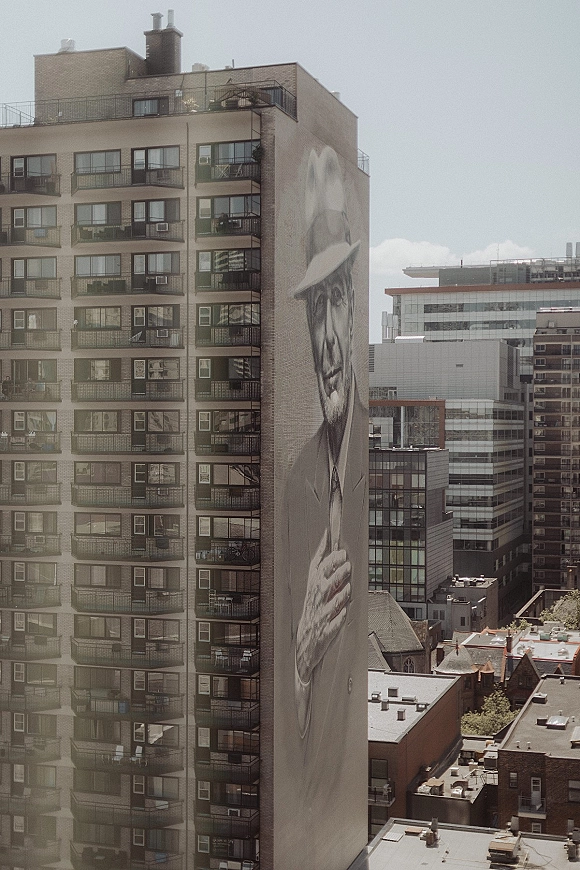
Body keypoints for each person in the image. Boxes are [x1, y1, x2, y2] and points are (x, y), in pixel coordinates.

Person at [278, 146, 367, 867]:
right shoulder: (294, 486)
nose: (330, 340)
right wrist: (300, 665)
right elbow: (293, 755)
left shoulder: (370, 455)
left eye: (339, 297)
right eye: (316, 306)